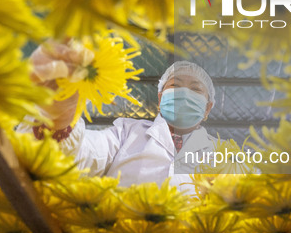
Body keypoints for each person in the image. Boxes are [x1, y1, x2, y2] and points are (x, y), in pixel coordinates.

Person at [24, 41, 219, 194]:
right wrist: (58, 118)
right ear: (160, 99)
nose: (184, 93)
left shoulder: (223, 156)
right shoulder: (126, 133)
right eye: (175, 86)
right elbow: (82, 157)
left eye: (195, 89)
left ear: (208, 108)